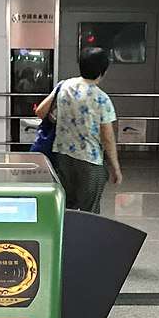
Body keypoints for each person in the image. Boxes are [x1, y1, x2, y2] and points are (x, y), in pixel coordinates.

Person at [35, 47, 121, 214]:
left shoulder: (64, 86)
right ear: (103, 71)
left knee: (66, 208)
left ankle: (67, 231)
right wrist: (115, 167)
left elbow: (40, 111)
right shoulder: (102, 99)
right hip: (90, 161)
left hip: (62, 157)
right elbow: (107, 138)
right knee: (90, 212)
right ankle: (86, 232)